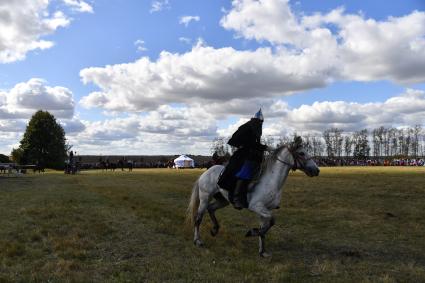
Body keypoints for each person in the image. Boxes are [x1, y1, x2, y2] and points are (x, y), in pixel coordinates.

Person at [217, 109, 267, 209]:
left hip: (253, 156)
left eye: (261, 122)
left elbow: (254, 144)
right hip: (243, 156)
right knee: (245, 173)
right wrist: (264, 147)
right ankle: (237, 198)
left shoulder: (254, 128)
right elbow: (248, 143)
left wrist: (261, 148)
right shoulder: (247, 127)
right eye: (260, 122)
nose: (260, 124)